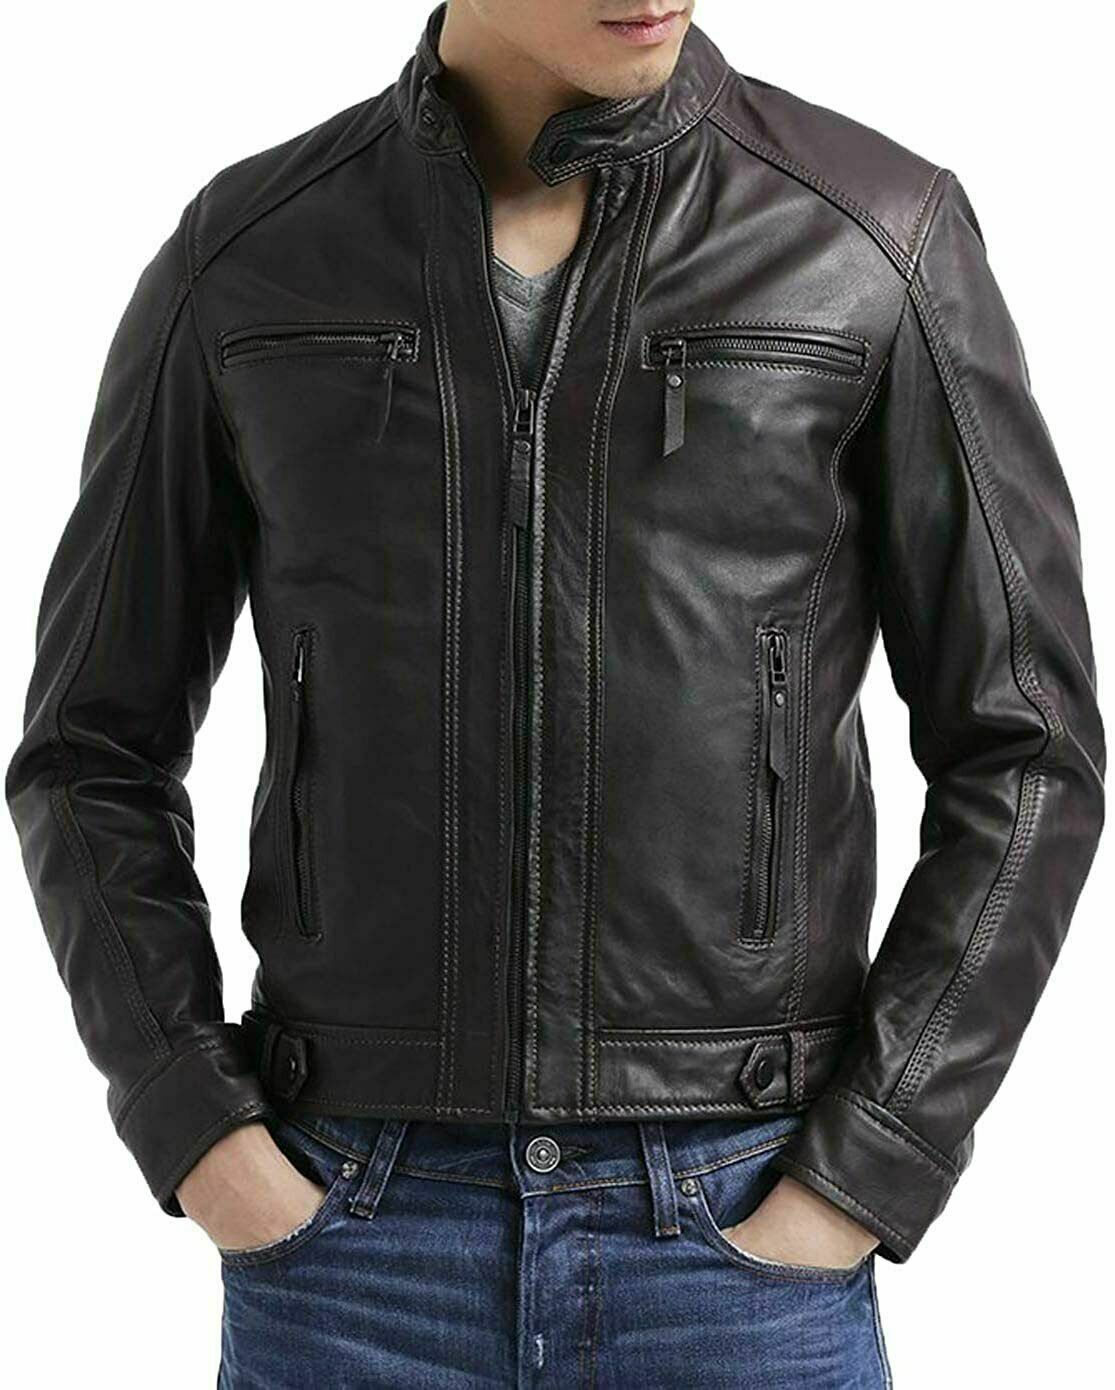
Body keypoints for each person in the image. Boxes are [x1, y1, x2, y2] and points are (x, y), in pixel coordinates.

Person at [7, 1, 1104, 1385]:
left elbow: (1028, 749)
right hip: (352, 1241)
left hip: (738, 1221)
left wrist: (867, 1165)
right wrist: (199, 1132)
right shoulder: (251, 255)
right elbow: (88, 750)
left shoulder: (873, 235)